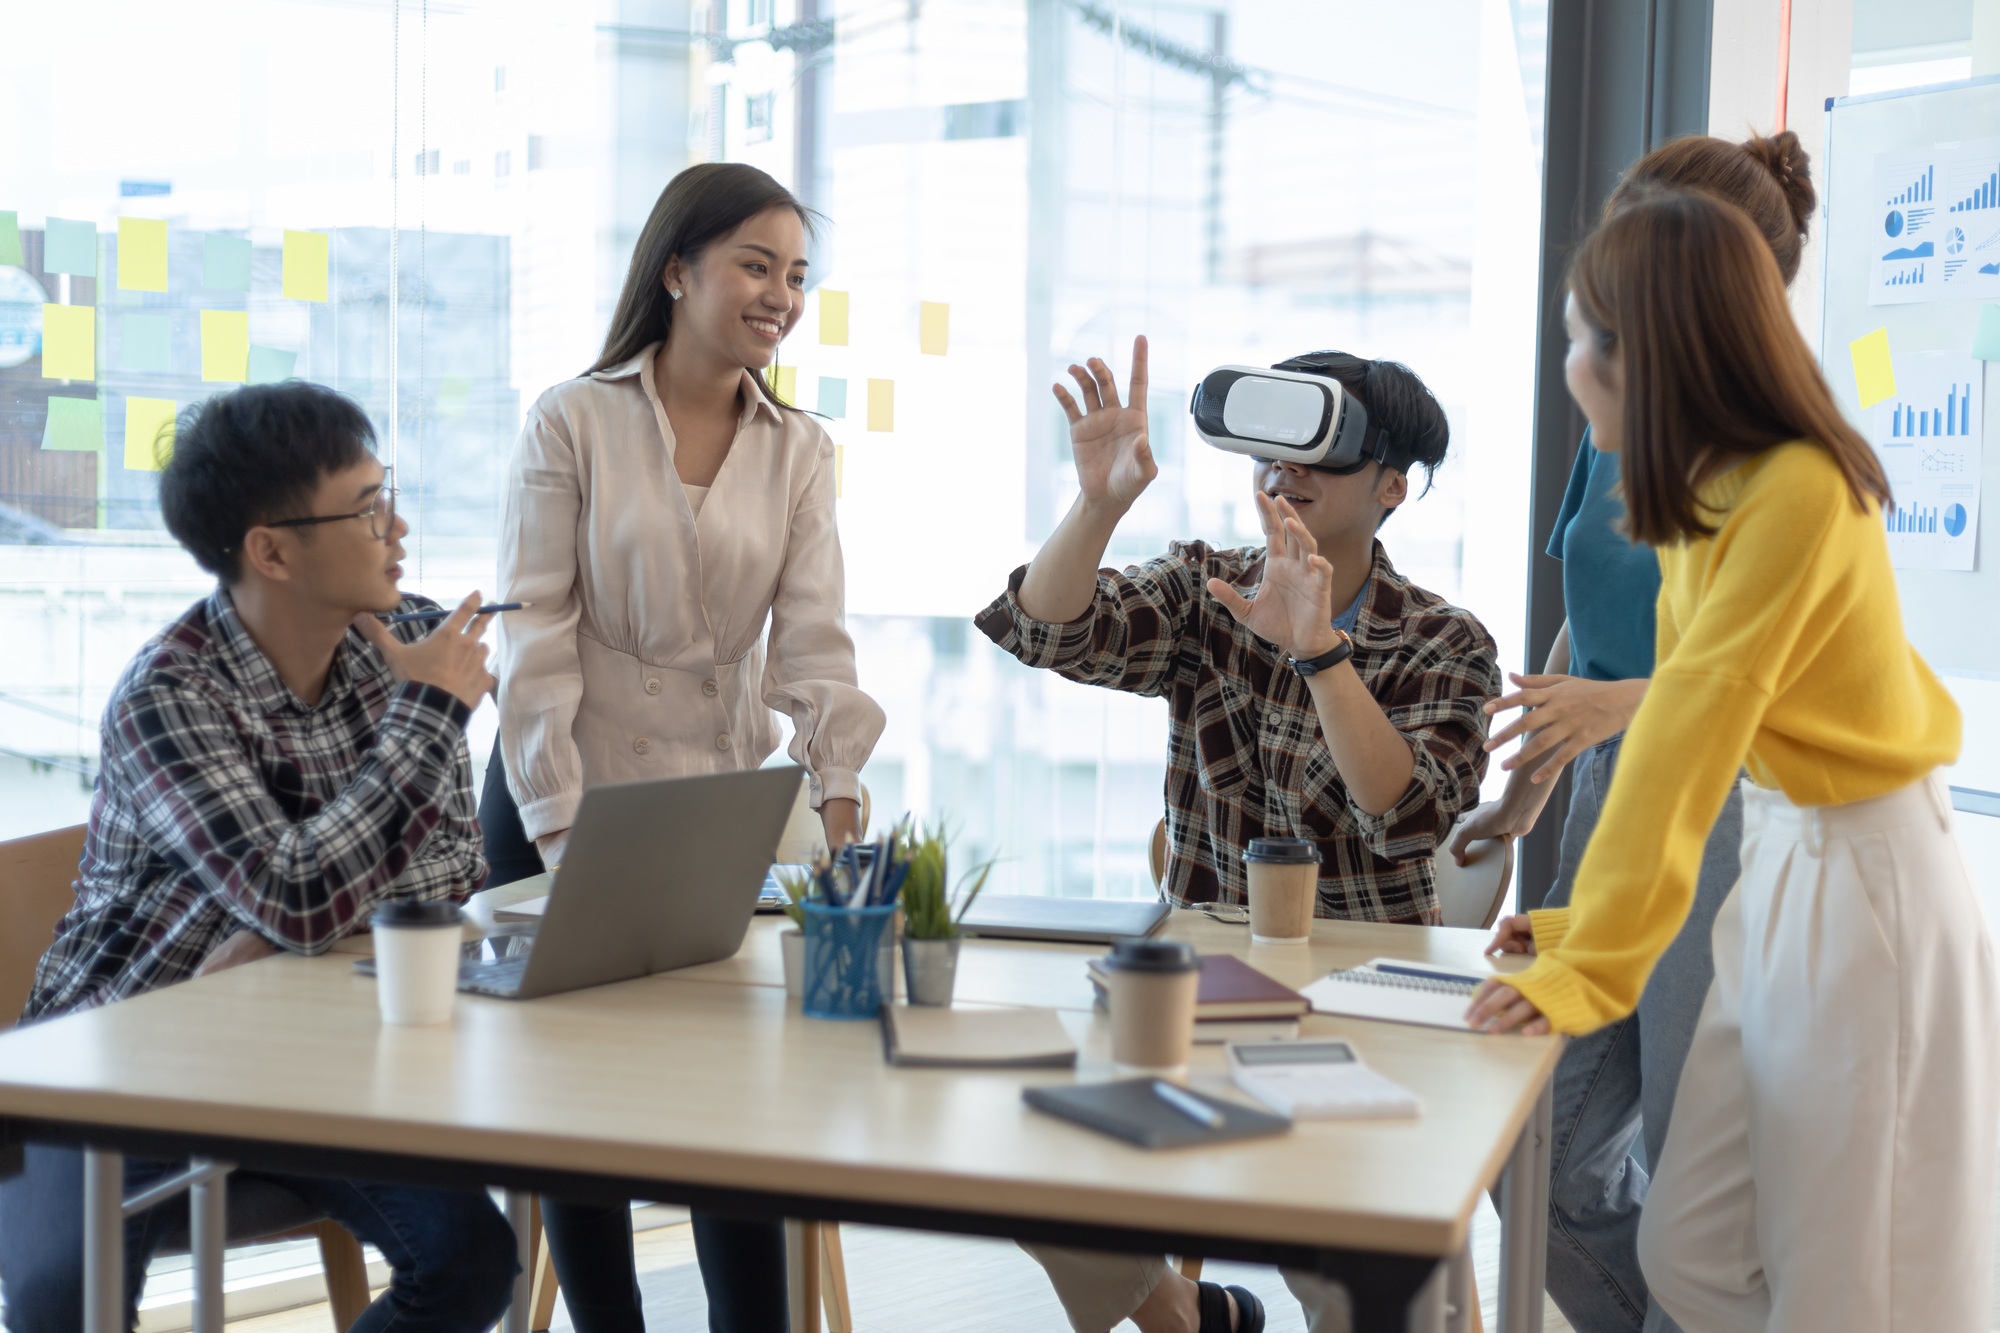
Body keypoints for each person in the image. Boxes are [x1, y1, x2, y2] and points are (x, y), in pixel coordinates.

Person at [1466, 187, 2000, 1331]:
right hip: (1782, 866)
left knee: (1849, 1282)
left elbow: (1685, 725)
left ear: (1641, 353)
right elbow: (1681, 721)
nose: (1565, 366)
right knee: (1691, 1247)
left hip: (1870, 887)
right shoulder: (1702, 497)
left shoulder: (1799, 487)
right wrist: (1573, 933)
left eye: (1575, 339)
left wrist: (1584, 969)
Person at [976, 338, 1496, 1333]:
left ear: (1390, 487)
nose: (1282, 470)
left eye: (1319, 450)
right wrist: (1096, 505)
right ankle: (1193, 1322)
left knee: (1356, 1284)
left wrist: (1317, 654)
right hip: (1196, 992)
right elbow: (1048, 631)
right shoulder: (1204, 589)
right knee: (1029, 1151)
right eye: (1270, 444)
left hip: (1366, 1001)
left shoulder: (1446, 640)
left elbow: (1409, 816)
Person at [0, 382, 518, 1332]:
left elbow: (449, 871)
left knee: (470, 1258)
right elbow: (301, 892)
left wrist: (283, 932)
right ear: (271, 550)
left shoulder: (412, 640)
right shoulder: (169, 695)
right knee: (56, 1300)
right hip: (112, 1060)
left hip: (307, 1058)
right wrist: (428, 720)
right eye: (366, 508)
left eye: (385, 493)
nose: (396, 527)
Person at [481, 161, 885, 1331]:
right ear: (676, 271)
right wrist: (565, 828)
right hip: (562, 783)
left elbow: (813, 644)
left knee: (733, 1098)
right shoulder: (574, 417)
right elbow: (533, 638)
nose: (780, 294)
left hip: (710, 802)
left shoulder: (799, 448)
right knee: (579, 1104)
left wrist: (839, 804)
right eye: (755, 264)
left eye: (796, 274)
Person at [1447, 130, 1816, 1333]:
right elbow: (1588, 612)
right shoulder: (1612, 417)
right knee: (1535, 1146)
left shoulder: (1775, 460)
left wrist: (1618, 706)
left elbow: (1779, 685)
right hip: (1610, 793)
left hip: (1724, 809)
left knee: (1691, 1169)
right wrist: (1524, 793)